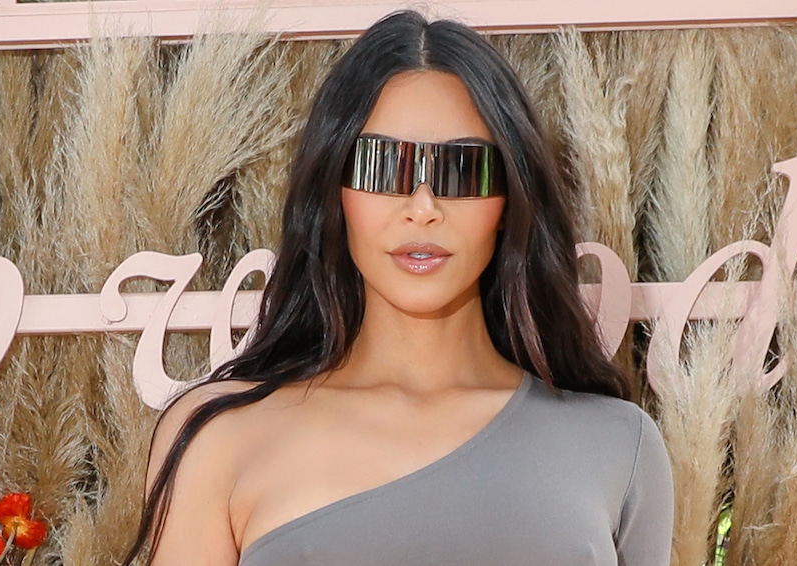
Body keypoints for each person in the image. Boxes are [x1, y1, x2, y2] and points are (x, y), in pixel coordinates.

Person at [123, 10, 673, 566]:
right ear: (334, 189)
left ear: (509, 199)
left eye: (462, 170)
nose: (423, 207)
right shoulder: (219, 439)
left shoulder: (617, 446)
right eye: (383, 166)